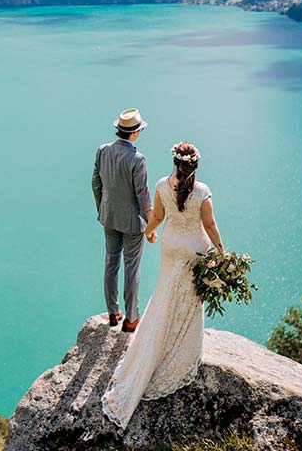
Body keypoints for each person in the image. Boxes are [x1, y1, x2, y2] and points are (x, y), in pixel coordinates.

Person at [101, 141, 225, 431]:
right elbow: (210, 225)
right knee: (189, 298)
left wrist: (149, 233)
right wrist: (221, 251)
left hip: (171, 247)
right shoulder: (202, 193)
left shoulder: (161, 185)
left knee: (166, 293)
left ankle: (157, 340)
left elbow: (157, 217)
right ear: (195, 165)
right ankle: (180, 345)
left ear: (175, 163)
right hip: (194, 249)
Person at [92, 108, 153, 333]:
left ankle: (112, 312)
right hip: (132, 223)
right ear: (135, 133)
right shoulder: (137, 159)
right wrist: (151, 224)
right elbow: (143, 195)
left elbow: (96, 183)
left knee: (110, 263)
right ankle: (132, 319)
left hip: (109, 217)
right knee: (132, 269)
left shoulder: (102, 151)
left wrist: (102, 208)